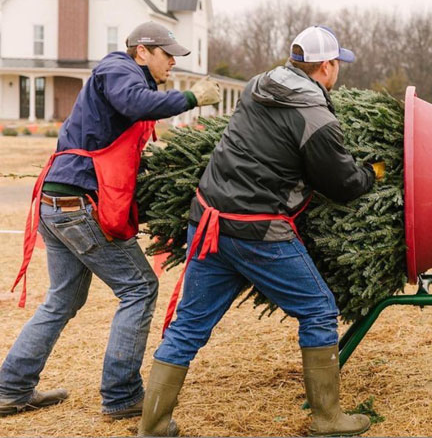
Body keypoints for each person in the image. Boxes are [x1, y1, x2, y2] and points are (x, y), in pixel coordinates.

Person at [139, 25, 382, 437]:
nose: (338, 70)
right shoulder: (316, 117)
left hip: (209, 217)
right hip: (257, 231)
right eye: (337, 63)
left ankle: (153, 425)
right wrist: (371, 174)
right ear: (327, 66)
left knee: (189, 325)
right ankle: (327, 419)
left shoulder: (257, 85)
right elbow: (340, 185)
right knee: (319, 310)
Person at [0, 22, 220, 419]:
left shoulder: (127, 78)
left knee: (62, 299)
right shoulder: (117, 69)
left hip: (59, 203)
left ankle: (11, 389)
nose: (173, 61)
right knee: (139, 288)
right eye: (167, 53)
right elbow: (136, 103)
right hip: (78, 206)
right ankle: (121, 396)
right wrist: (190, 98)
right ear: (142, 51)